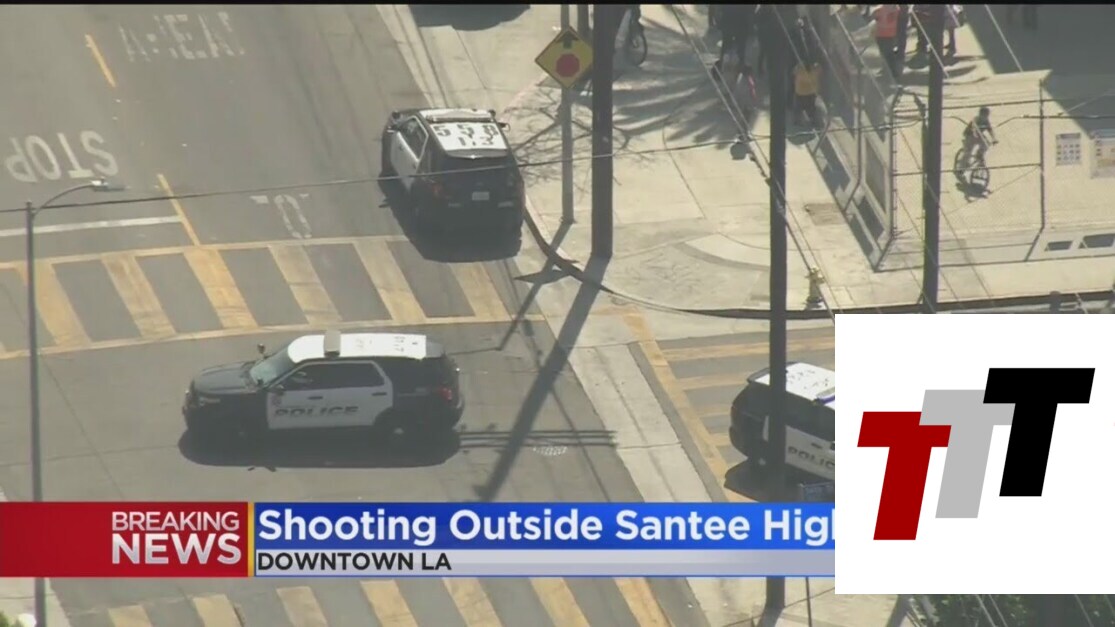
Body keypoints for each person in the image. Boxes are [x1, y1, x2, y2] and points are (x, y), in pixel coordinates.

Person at [872, 4, 901, 77]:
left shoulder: (890, 9)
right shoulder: (893, 8)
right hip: (885, 34)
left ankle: (892, 72)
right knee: (887, 54)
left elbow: (877, 16)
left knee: (888, 54)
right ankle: (889, 71)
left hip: (885, 34)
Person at [793, 60, 823, 128]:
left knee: (798, 108)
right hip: (812, 92)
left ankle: (797, 121)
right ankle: (813, 120)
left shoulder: (800, 71)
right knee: (811, 107)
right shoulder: (815, 70)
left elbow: (794, 72)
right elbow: (820, 70)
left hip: (800, 92)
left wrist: (799, 65)